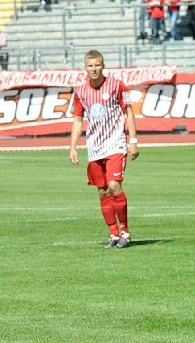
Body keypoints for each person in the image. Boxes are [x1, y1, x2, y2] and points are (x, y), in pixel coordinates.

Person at [69, 49, 140, 249]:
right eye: (90, 66)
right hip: (94, 146)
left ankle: (125, 231)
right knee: (102, 191)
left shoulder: (117, 85)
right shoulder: (80, 91)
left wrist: (133, 140)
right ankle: (113, 233)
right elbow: (77, 120)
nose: (94, 69)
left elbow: (128, 112)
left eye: (97, 65)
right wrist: (73, 147)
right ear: (85, 67)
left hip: (115, 142)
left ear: (103, 66)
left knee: (114, 185)